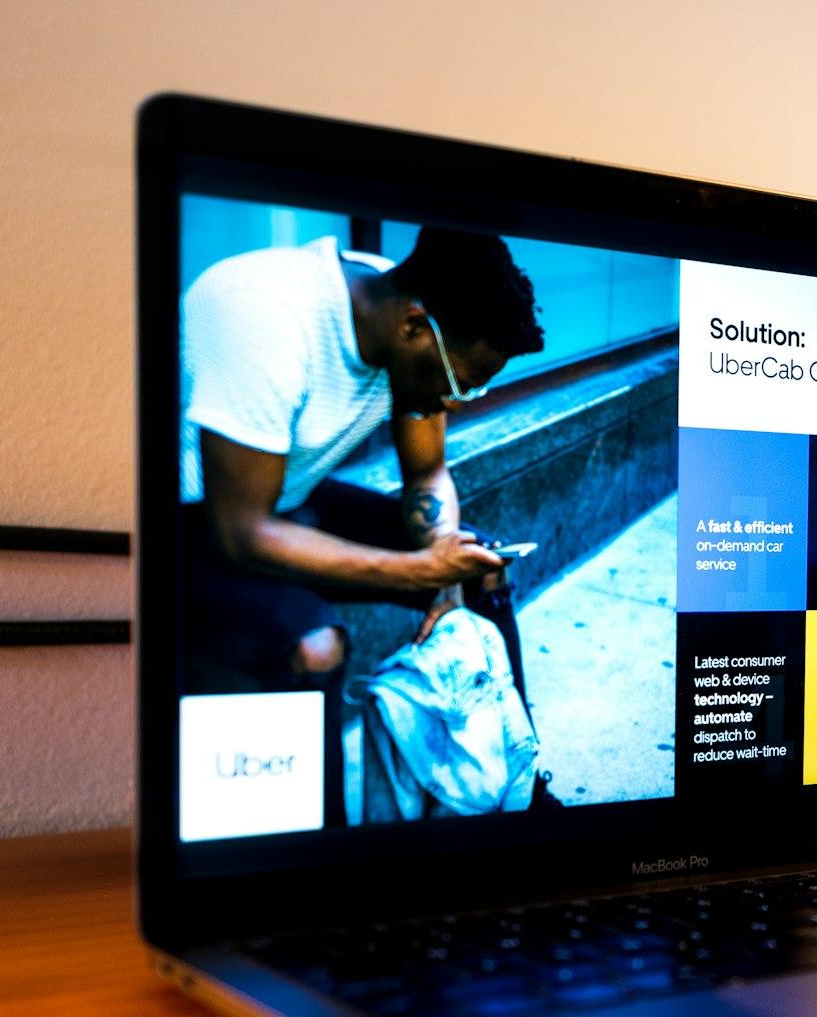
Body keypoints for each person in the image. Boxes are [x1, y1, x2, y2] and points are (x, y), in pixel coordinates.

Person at [180, 226, 552, 823]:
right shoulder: (265, 317)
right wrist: (416, 571)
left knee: (482, 567)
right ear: (412, 328)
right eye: (460, 382)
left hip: (286, 495)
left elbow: (427, 475)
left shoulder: (407, 307)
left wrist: (446, 576)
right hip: (190, 518)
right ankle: (325, 851)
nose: (458, 402)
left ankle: (519, 794)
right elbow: (240, 531)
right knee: (315, 648)